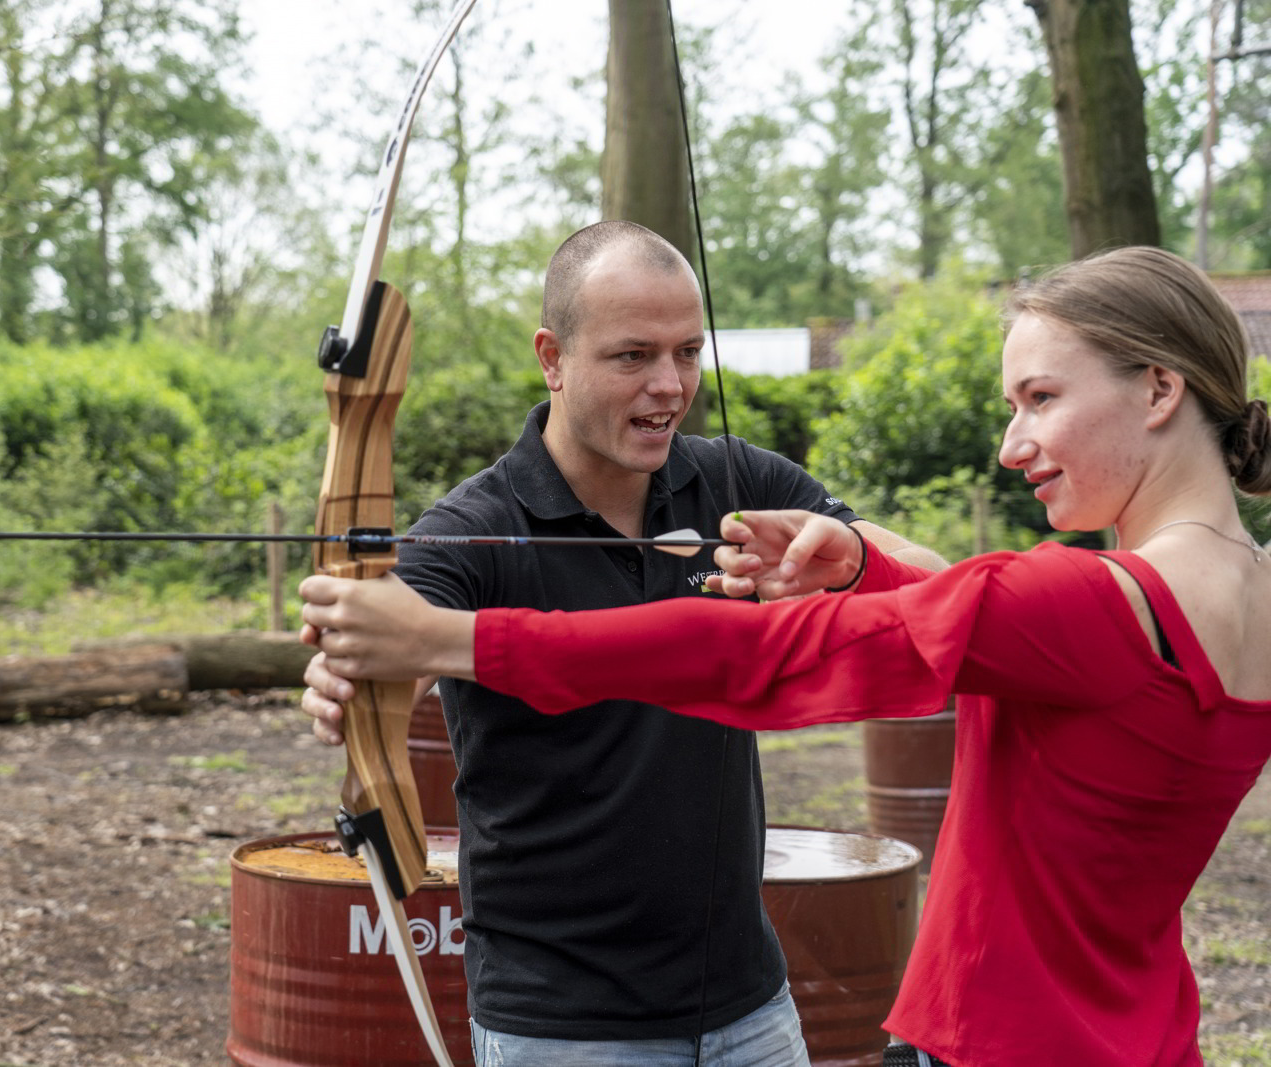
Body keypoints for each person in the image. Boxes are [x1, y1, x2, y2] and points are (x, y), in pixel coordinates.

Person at [301, 245, 1271, 1067]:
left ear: (1157, 388)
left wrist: (450, 639)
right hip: (1147, 1037)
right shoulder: (1246, 592)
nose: (1012, 443)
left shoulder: (1087, 599)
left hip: (999, 1039)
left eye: (1040, 397)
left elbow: (754, 656)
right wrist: (859, 559)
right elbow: (974, 606)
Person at [301, 219, 946, 1067]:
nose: (670, 386)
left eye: (687, 352)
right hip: (563, 1027)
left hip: (750, 1004)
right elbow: (385, 650)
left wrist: (853, 557)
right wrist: (350, 661)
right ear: (553, 356)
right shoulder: (478, 527)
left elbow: (940, 587)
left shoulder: (734, 481)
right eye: (633, 356)